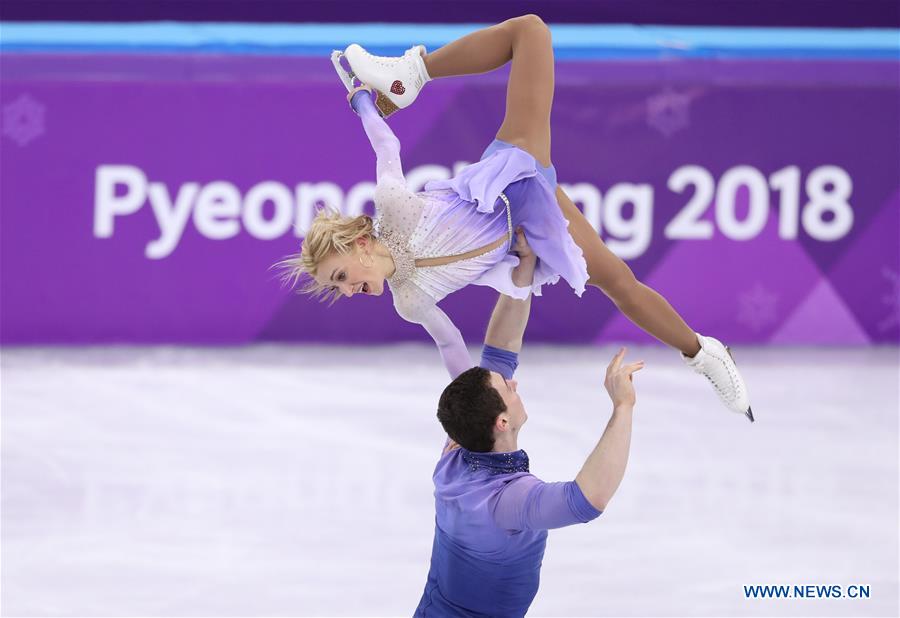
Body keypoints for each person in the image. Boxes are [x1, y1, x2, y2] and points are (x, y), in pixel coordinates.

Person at [277, 14, 752, 421]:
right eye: (334, 287)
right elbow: (450, 348)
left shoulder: (394, 210)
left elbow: (387, 146)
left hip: (510, 177)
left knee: (529, 31)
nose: (345, 290)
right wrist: (470, 414)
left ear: (359, 245)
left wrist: (363, 100)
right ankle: (702, 351)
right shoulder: (409, 302)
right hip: (528, 231)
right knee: (617, 280)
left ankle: (411, 73)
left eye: (339, 275)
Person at [414, 234, 641, 616]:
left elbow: (500, 352)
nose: (513, 382)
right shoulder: (508, 501)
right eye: (508, 389)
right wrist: (623, 407)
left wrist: (524, 269)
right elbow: (587, 499)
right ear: (502, 421)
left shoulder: (454, 456)